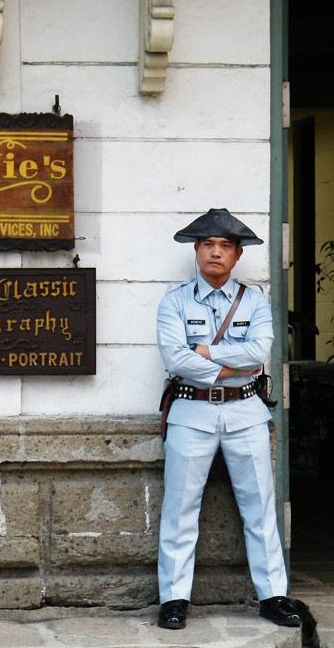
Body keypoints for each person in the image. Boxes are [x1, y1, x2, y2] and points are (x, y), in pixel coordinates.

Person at [156, 208, 300, 630]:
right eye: (207, 244)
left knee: (260, 508)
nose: (215, 252)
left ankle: (273, 596)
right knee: (180, 508)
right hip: (191, 412)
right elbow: (175, 358)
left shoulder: (254, 301)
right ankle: (173, 599)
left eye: (224, 246)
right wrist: (227, 368)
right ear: (196, 251)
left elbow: (258, 353)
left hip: (245, 413)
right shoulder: (175, 301)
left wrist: (205, 351)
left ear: (238, 254)